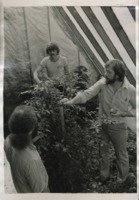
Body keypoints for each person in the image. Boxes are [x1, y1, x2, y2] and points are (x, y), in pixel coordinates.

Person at [60, 59, 136, 184]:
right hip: (103, 125)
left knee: (121, 154)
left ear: (117, 75)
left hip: (119, 127)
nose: (105, 74)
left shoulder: (130, 89)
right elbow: (86, 94)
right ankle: (104, 176)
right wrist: (70, 101)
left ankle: (122, 180)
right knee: (103, 152)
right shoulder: (103, 83)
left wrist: (122, 113)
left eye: (109, 72)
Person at [4, 105, 49, 193]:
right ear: (31, 129)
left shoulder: (8, 141)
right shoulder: (32, 160)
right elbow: (42, 191)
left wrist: (30, 141)